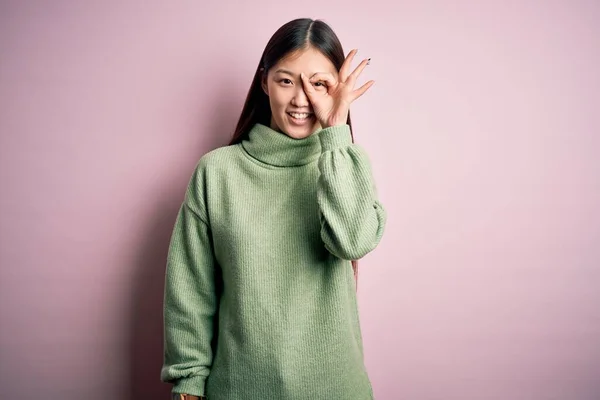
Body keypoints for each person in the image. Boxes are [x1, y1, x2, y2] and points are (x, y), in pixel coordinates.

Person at [160, 17, 387, 400]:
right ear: (264, 81)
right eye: (286, 81)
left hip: (336, 389)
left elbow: (353, 242)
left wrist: (336, 134)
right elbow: (190, 291)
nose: (302, 100)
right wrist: (188, 383)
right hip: (239, 389)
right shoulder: (217, 172)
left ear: (337, 92)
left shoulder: (344, 167)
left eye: (319, 84)